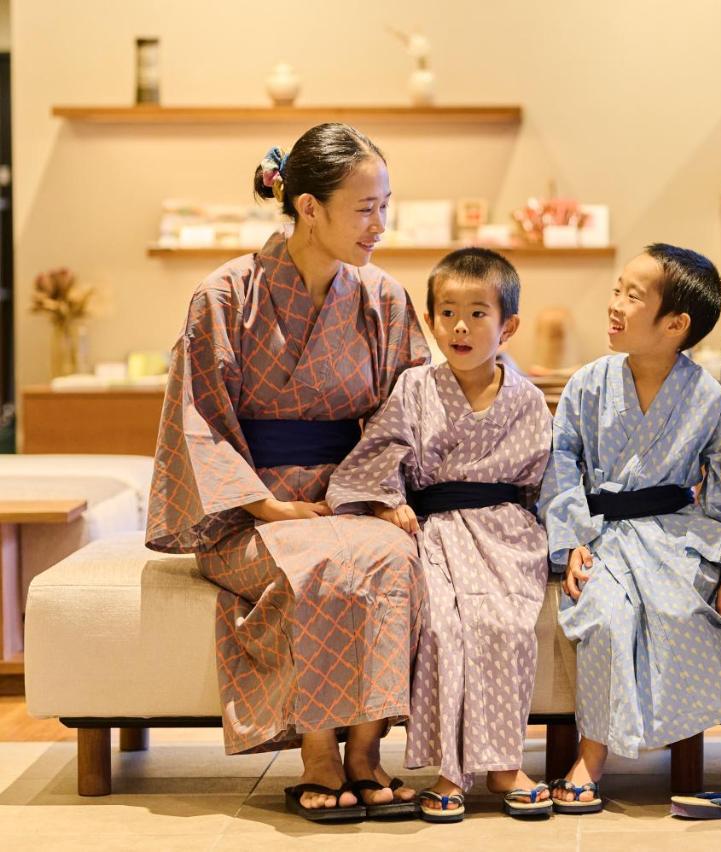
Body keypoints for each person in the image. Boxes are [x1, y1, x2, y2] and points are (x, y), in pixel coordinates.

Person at [146, 123, 429, 822]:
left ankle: (367, 755)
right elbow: (199, 420)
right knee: (317, 564)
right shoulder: (225, 295)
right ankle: (318, 758)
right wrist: (267, 507)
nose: (380, 226)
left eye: (385, 207)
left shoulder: (383, 299)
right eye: (365, 209)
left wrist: (370, 494)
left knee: (393, 559)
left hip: (349, 495)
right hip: (251, 508)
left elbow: (407, 412)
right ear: (308, 206)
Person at [538, 244, 721, 818]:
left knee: (692, 612)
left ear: (675, 325)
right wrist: (570, 543)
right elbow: (561, 468)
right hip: (601, 533)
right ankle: (591, 756)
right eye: (617, 290)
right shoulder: (587, 384)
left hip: (675, 532)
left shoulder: (707, 395)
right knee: (604, 616)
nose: (615, 305)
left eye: (633, 296)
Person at [327, 248, 554, 822]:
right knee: (442, 626)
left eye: (478, 313)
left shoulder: (527, 399)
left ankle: (504, 763)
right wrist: (387, 506)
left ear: (509, 327)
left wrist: (569, 545)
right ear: (429, 321)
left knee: (501, 622)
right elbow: (370, 462)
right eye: (447, 312)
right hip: (431, 530)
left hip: (505, 534)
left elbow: (544, 484)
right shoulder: (414, 388)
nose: (461, 326)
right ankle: (450, 771)